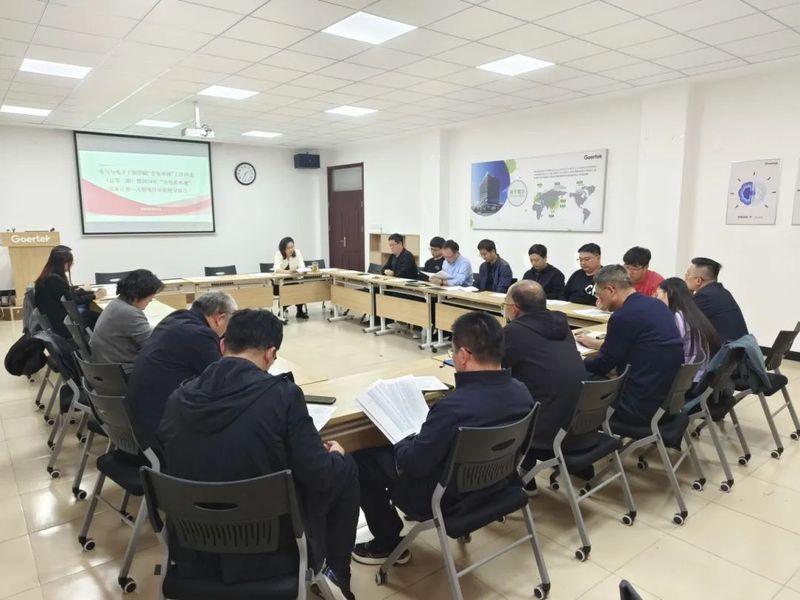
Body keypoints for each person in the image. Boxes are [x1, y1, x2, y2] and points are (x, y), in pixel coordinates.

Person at [159, 309, 358, 599]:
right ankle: (337, 574)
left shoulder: (178, 397)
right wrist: (336, 457)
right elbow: (320, 476)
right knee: (344, 466)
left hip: (194, 548)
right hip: (271, 550)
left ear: (222, 346)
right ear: (270, 354)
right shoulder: (283, 396)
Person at [352, 312, 534, 564]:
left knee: (362, 458)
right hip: (499, 485)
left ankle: (386, 542)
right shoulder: (522, 393)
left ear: (464, 355)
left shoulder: (453, 408)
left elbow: (413, 463)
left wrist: (403, 439)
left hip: (448, 499)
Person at [576, 265, 683, 426]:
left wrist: (577, 362)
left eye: (598, 294)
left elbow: (603, 365)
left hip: (636, 408)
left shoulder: (623, 317)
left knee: (574, 379)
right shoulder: (657, 305)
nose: (597, 299)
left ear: (610, 290)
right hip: (666, 402)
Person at [126, 290, 235, 447]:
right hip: (158, 430)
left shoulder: (175, 318)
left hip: (136, 418)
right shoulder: (200, 335)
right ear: (220, 318)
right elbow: (224, 382)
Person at [502, 281, 587, 474]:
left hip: (544, 430)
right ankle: (526, 472)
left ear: (514, 309)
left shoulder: (514, 332)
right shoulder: (562, 324)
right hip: (578, 424)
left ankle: (510, 474)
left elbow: (494, 368)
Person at [90, 269, 164, 373]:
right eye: (150, 297)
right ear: (139, 295)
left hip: (107, 368)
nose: (151, 300)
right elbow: (153, 346)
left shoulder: (116, 304)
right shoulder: (130, 313)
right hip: (122, 372)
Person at [656, 278, 721, 382]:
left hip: (683, 381)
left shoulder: (677, 318)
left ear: (668, 294)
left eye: (657, 295)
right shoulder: (695, 315)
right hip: (698, 378)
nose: (656, 300)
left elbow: (668, 353)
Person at [34, 245, 103, 339]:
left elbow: (67, 293)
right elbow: (72, 301)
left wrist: (86, 292)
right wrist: (94, 296)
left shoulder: (49, 275)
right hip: (60, 324)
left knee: (88, 311)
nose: (72, 264)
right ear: (65, 263)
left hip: (54, 318)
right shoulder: (54, 280)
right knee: (99, 317)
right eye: (71, 262)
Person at [684, 257, 748, 342]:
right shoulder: (723, 292)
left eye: (687, 274)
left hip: (725, 349)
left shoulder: (704, 297)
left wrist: (685, 293)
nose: (685, 277)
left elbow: (681, 323)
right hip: (740, 348)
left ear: (698, 281)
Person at [273, 236, 308, 319]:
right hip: (279, 283)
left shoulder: (297, 253)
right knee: (292, 287)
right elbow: (276, 269)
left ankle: (298, 311)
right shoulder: (279, 254)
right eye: (288, 248)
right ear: (283, 249)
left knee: (299, 288)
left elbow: (302, 266)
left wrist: (300, 270)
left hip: (294, 280)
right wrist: (289, 272)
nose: (291, 250)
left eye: (292, 247)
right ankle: (283, 310)